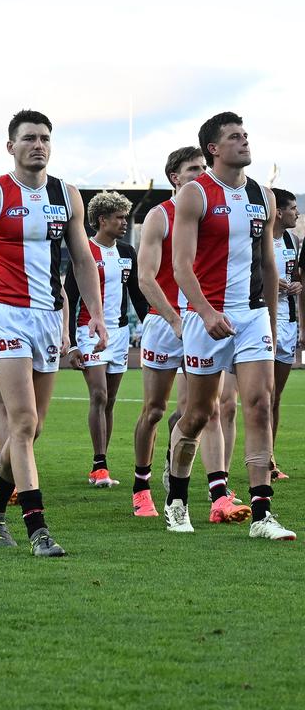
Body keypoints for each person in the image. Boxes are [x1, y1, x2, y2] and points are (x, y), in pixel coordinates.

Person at [0, 110, 107, 557]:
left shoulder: (67, 195)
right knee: (24, 422)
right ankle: (38, 529)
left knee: (33, 429)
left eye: (45, 138)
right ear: (11, 146)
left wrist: (96, 315)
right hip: (3, 316)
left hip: (48, 317)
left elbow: (83, 260)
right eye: (29, 138)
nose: (38, 145)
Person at [169, 111, 294, 539]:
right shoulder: (194, 194)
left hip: (252, 313)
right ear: (213, 149)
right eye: (234, 137)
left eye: (246, 135)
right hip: (208, 315)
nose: (244, 141)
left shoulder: (263, 194)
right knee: (198, 415)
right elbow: (181, 266)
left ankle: (262, 515)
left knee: (258, 404)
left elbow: (268, 264)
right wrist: (204, 312)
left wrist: (273, 325)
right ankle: (177, 500)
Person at [131, 146, 233, 519]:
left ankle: (218, 493)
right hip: (164, 322)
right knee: (155, 410)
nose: (202, 173)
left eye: (205, 167)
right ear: (174, 177)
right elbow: (145, 278)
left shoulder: (215, 214)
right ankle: (141, 487)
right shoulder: (161, 217)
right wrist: (175, 319)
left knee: (206, 411)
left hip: (198, 321)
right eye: (194, 169)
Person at [64, 191, 148, 487]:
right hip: (89, 333)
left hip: (121, 333)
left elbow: (137, 294)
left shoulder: (127, 252)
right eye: (119, 217)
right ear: (102, 219)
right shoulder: (83, 252)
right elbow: (70, 297)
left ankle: (101, 462)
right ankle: (99, 467)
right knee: (98, 395)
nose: (125, 222)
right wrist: (72, 342)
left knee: (109, 401)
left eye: (126, 217)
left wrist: (151, 323)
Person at [269, 187, 300, 478]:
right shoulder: (261, 240)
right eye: (292, 208)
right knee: (259, 395)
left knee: (275, 396)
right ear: (278, 211)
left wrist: (295, 286)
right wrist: (273, 284)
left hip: (288, 323)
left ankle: (269, 458)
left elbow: (297, 277)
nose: (297, 213)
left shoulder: (293, 240)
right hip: (263, 321)